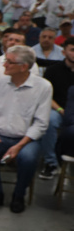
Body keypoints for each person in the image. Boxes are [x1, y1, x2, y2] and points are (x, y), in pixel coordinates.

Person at [0, 46, 52, 213]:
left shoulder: (43, 87)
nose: (4, 65)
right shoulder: (1, 83)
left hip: (26, 139)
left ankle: (19, 195)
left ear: (23, 66)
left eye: (9, 62)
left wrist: (19, 146)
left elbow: (41, 123)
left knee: (27, 158)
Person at [39, 38, 74, 179]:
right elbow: (47, 95)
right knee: (49, 121)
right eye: (72, 50)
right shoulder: (53, 70)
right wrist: (60, 110)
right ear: (64, 51)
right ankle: (51, 163)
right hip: (58, 109)